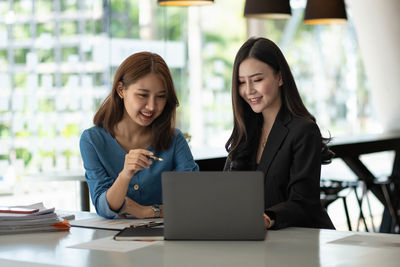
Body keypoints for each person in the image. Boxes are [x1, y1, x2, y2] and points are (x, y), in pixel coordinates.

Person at [224, 37, 335, 230]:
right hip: (257, 241)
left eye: (257, 80)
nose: (249, 90)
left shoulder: (303, 130)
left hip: (302, 241)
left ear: (280, 77)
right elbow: (225, 192)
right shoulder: (246, 132)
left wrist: (268, 218)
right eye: (242, 82)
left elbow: (303, 202)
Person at [80, 52, 199, 219]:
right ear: (121, 90)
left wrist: (147, 212)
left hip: (166, 237)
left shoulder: (175, 139)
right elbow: (104, 207)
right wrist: (126, 174)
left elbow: (194, 200)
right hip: (114, 240)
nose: (151, 106)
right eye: (142, 95)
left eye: (160, 97)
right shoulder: (92, 140)